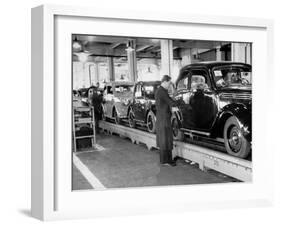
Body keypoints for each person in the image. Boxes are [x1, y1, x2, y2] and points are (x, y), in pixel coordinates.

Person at [155, 75, 178, 167]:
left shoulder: (161, 90)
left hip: (162, 118)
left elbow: (168, 101)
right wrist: (179, 102)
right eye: (169, 83)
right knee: (165, 139)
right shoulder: (162, 92)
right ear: (165, 81)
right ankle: (166, 161)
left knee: (165, 139)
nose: (169, 85)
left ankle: (166, 160)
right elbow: (170, 102)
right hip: (163, 119)